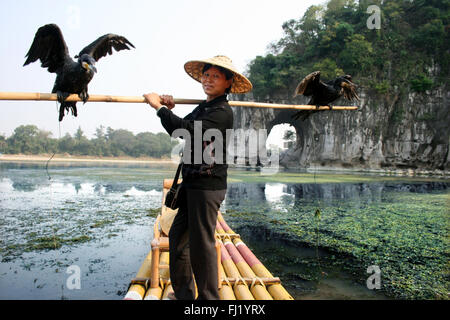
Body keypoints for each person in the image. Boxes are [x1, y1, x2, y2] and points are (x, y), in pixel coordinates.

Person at [143, 55, 252, 300]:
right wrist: (168, 108)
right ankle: (183, 295)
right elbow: (182, 123)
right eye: (206, 75)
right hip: (192, 184)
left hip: (207, 186)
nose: (208, 80)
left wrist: (158, 108)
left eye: (216, 76)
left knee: (202, 246)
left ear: (228, 83)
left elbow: (184, 130)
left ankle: (208, 301)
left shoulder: (222, 113)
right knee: (177, 239)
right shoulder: (205, 107)